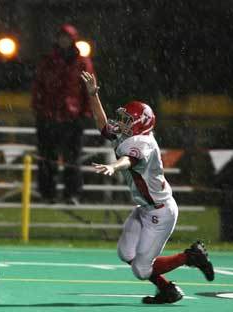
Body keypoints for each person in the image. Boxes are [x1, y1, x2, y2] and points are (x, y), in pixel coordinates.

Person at [81, 71, 215, 304]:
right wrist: (94, 95)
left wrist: (114, 166)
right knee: (126, 253)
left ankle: (190, 256)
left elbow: (129, 161)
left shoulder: (142, 142)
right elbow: (103, 126)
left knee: (141, 269)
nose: (121, 124)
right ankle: (168, 290)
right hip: (145, 207)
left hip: (159, 211)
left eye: (127, 121)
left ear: (139, 124)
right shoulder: (130, 135)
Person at [31, 23, 95, 204]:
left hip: (71, 118)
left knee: (71, 159)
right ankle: (48, 193)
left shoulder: (81, 62)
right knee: (47, 158)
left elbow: (88, 90)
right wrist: (39, 111)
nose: (64, 40)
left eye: (66, 37)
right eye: (62, 37)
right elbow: (38, 87)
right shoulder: (48, 61)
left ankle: (71, 194)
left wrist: (85, 115)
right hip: (50, 116)